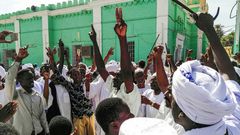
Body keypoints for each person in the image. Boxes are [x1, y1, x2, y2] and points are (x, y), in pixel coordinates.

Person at [171, 13, 240, 135]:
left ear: (181, 115)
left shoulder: (232, 115)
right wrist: (208, 28)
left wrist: (209, 29)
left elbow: (227, 72)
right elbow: (228, 72)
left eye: (174, 96)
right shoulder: (234, 121)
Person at [89, 8, 141, 116]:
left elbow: (126, 71)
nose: (115, 75)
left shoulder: (131, 90)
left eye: (119, 74)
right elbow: (101, 69)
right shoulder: (114, 85)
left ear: (129, 79)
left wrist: (122, 38)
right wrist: (94, 41)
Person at [5, 47, 49, 135]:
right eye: (28, 78)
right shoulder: (15, 95)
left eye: (32, 78)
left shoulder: (37, 96)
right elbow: (10, 80)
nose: (32, 80)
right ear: (20, 80)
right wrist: (18, 59)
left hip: (38, 132)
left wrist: (47, 131)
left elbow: (42, 117)